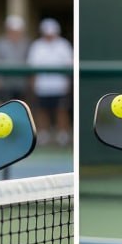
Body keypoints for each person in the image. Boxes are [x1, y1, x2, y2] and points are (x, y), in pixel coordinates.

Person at [27, 18, 73, 147]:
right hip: (42, 86)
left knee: (61, 110)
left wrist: (68, 84)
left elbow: (69, 66)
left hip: (59, 86)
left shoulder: (64, 45)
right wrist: (33, 84)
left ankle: (63, 134)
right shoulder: (37, 46)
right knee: (42, 110)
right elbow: (32, 67)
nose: (49, 36)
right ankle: (43, 134)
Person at [0, 14, 31, 103]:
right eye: (12, 30)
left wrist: (29, 82)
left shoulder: (26, 43)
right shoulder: (0, 42)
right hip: (4, 83)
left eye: (17, 31)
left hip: (21, 83)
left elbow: (29, 62)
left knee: (20, 107)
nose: (15, 33)